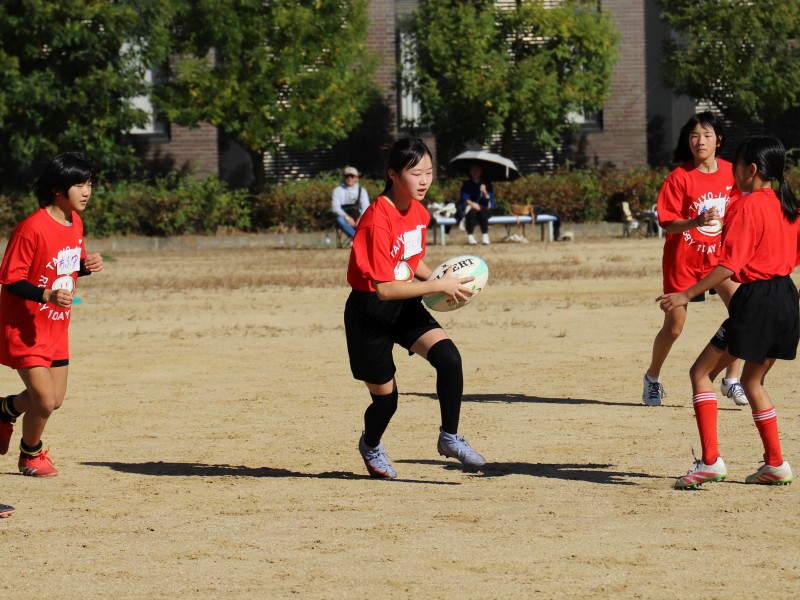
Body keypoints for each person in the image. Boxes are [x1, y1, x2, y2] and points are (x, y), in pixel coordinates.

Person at [660, 135, 800, 488]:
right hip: (786, 297)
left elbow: (729, 265)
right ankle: (775, 464)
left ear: (751, 170)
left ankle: (710, 462)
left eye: (735, 165)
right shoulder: (790, 207)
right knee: (752, 381)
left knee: (700, 373)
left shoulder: (745, 206)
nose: (732, 171)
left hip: (755, 300)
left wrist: (686, 293)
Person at [344, 138, 486, 479]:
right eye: (415, 173)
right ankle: (371, 444)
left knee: (449, 358)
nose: (424, 181)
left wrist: (444, 280)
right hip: (369, 313)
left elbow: (410, 260)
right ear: (393, 174)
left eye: (429, 172)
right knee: (386, 401)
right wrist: (437, 287)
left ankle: (449, 437)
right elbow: (384, 288)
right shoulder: (376, 220)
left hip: (404, 305)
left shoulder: (419, 213)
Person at [0, 152, 104, 477]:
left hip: (55, 328)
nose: (86, 192)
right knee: (43, 401)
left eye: (89, 184)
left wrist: (85, 267)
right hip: (25, 327)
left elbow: (64, 268)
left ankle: (5, 410)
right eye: (79, 185)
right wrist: (46, 295)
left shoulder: (75, 223)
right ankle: (30, 455)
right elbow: (11, 279)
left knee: (54, 400)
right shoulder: (31, 228)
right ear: (58, 189)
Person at [643, 112, 747, 407]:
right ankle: (652, 378)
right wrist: (695, 221)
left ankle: (731, 379)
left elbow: (741, 212)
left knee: (744, 313)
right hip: (684, 261)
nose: (700, 141)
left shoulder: (732, 173)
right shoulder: (679, 177)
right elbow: (668, 223)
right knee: (674, 327)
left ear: (719, 140)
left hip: (719, 259)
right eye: (694, 136)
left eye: (707, 135)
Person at [332, 166, 370, 241]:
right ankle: (357, 238)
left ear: (356, 178)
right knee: (340, 220)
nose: (349, 178)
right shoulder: (338, 190)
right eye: (347, 176)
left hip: (359, 216)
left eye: (352, 176)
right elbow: (335, 207)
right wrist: (347, 218)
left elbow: (366, 206)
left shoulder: (362, 191)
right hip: (344, 217)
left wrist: (360, 218)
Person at [459, 163, 494, 245]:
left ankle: (485, 235)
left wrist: (484, 191)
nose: (475, 172)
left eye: (477, 170)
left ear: (481, 171)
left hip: (485, 208)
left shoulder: (487, 183)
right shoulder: (467, 184)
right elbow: (464, 198)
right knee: (472, 212)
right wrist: (473, 204)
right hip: (470, 207)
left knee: (481, 211)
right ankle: (470, 236)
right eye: (472, 170)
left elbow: (489, 199)